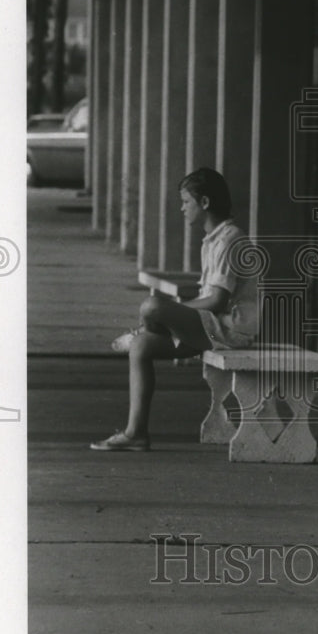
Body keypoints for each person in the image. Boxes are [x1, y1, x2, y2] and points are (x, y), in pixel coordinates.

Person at [91, 168, 258, 451]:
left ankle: (140, 330)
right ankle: (136, 433)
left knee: (152, 306)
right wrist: (174, 316)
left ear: (204, 203)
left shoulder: (231, 239)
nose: (182, 208)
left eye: (186, 202)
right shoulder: (213, 239)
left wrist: (170, 312)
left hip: (231, 331)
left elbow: (217, 301)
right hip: (212, 326)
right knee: (142, 346)